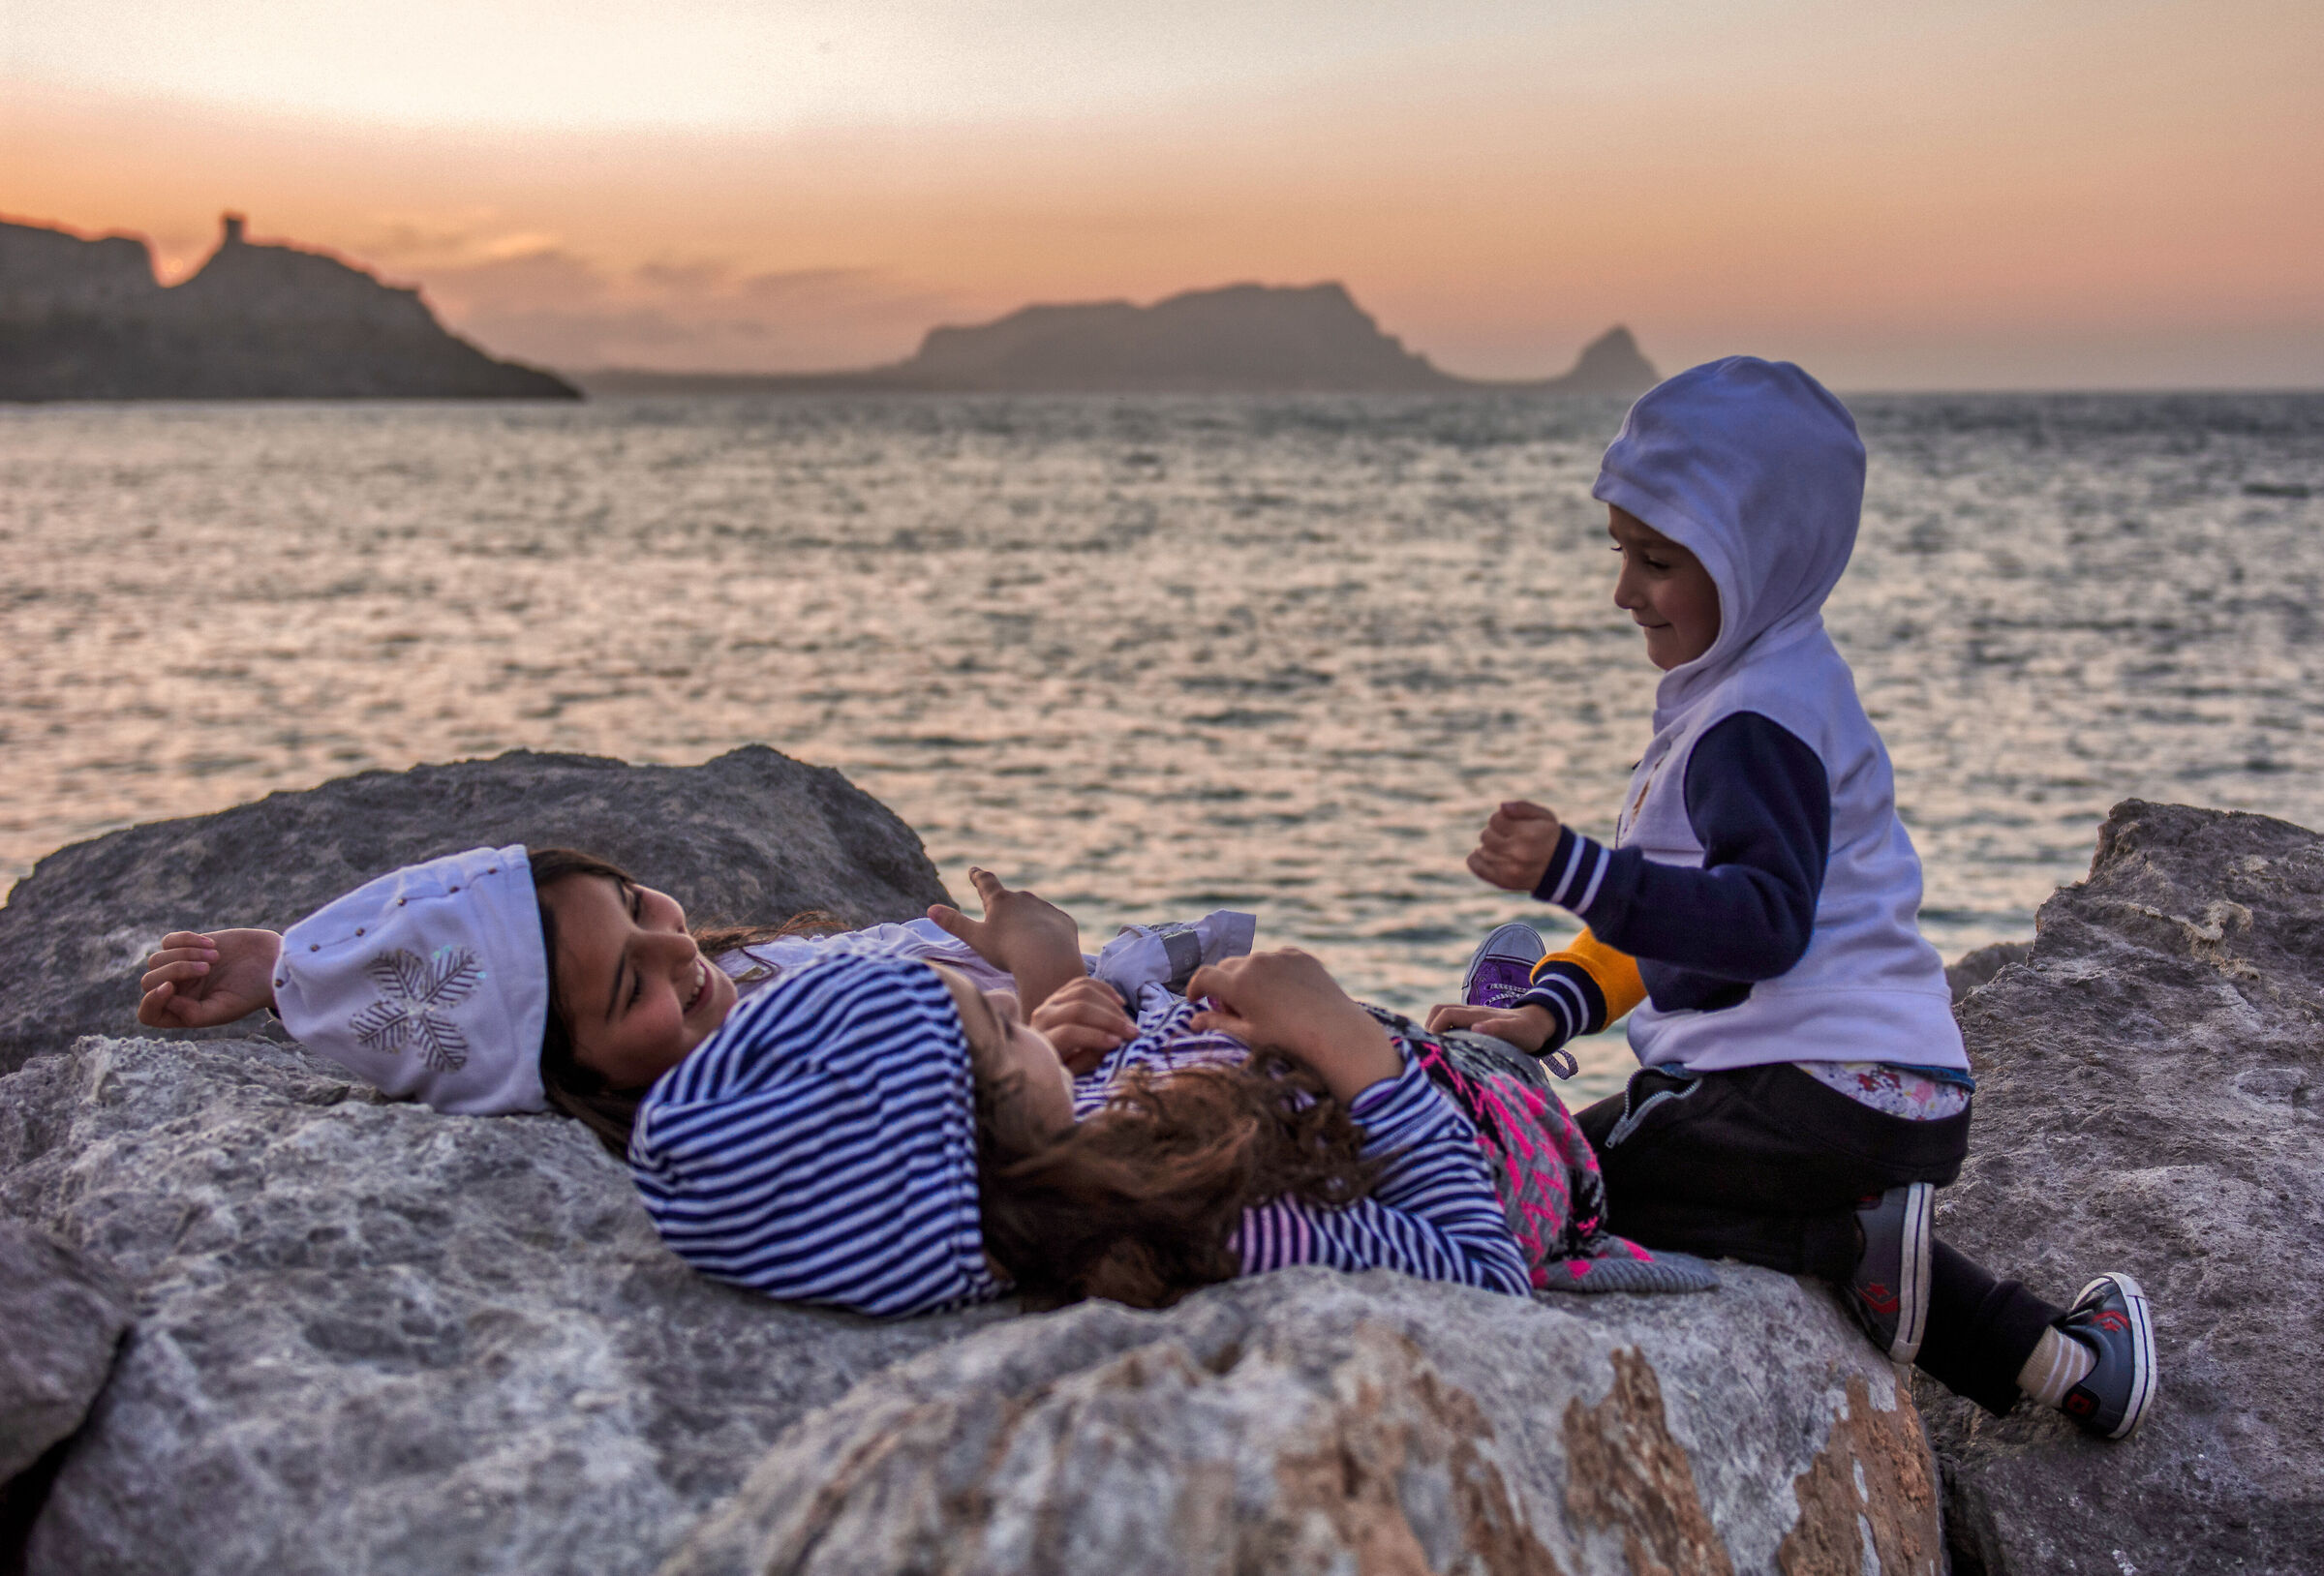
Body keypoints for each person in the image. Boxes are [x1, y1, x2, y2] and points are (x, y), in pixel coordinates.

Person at [1423, 357, 2156, 1440]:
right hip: (1890, 1094)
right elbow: (1675, 916)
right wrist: (1551, 1007)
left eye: (1658, 560)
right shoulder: (1779, 680)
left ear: (1755, 557)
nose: (1623, 591)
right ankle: (2077, 1368)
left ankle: (1833, 1235)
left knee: (1565, 1183)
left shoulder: (1750, 726)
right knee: (1765, 1210)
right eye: (1620, 552)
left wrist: (1573, 869)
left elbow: (1759, 926)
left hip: (1806, 1091)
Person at [138, 854, 1689, 1314]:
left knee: (1411, 1007)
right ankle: (1513, 1025)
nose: (685, 953)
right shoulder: (1191, 1213)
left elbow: (472, 953)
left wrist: (300, 968)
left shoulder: (925, 1147)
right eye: (999, 1040)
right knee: (1490, 1042)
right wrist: (1351, 1045)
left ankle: (1506, 1008)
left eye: (649, 909)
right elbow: (1478, 1266)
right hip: (1479, 1138)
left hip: (1281, 1085)